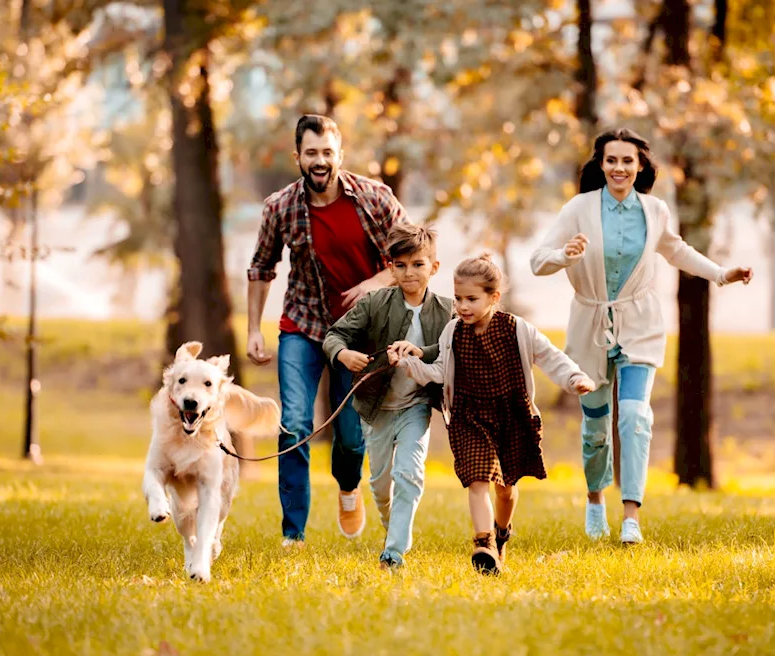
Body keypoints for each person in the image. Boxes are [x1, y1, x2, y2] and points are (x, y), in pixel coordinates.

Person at [529, 127, 753, 545]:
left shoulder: (654, 210)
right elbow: (537, 261)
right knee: (596, 427)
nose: (619, 168)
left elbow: (677, 251)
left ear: (640, 166)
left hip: (640, 325)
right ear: (600, 164)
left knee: (634, 417)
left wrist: (722, 274)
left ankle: (631, 515)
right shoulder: (578, 209)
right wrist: (564, 255)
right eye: (611, 160)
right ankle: (595, 499)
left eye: (627, 161)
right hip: (590, 325)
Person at [246, 114, 410, 547]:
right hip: (303, 326)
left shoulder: (376, 199)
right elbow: (262, 267)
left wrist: (373, 283)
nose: (319, 161)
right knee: (295, 424)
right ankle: (293, 533)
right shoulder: (280, 207)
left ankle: (348, 486)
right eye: (311, 153)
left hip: (360, 334)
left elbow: (416, 254)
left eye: (327, 153)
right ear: (297, 156)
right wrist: (253, 330)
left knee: (352, 437)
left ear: (340, 155)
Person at [395, 254, 595, 575]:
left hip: (511, 415)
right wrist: (408, 363)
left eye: (472, 299)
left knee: (505, 489)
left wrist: (574, 379)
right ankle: (484, 543)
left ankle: (501, 534)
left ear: (494, 297)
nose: (462, 306)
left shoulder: (517, 329)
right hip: (469, 415)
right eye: (459, 298)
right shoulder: (453, 332)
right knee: (477, 480)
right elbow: (438, 371)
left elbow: (550, 356)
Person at [322, 222, 454, 570]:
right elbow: (334, 335)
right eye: (401, 265)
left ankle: (393, 553)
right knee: (381, 485)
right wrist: (343, 355)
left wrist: (419, 352)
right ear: (391, 267)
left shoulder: (447, 310)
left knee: (409, 474)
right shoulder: (376, 302)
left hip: (417, 406)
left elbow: (449, 349)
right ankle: (391, 525)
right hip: (376, 408)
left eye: (418, 264)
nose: (409, 272)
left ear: (434, 267)